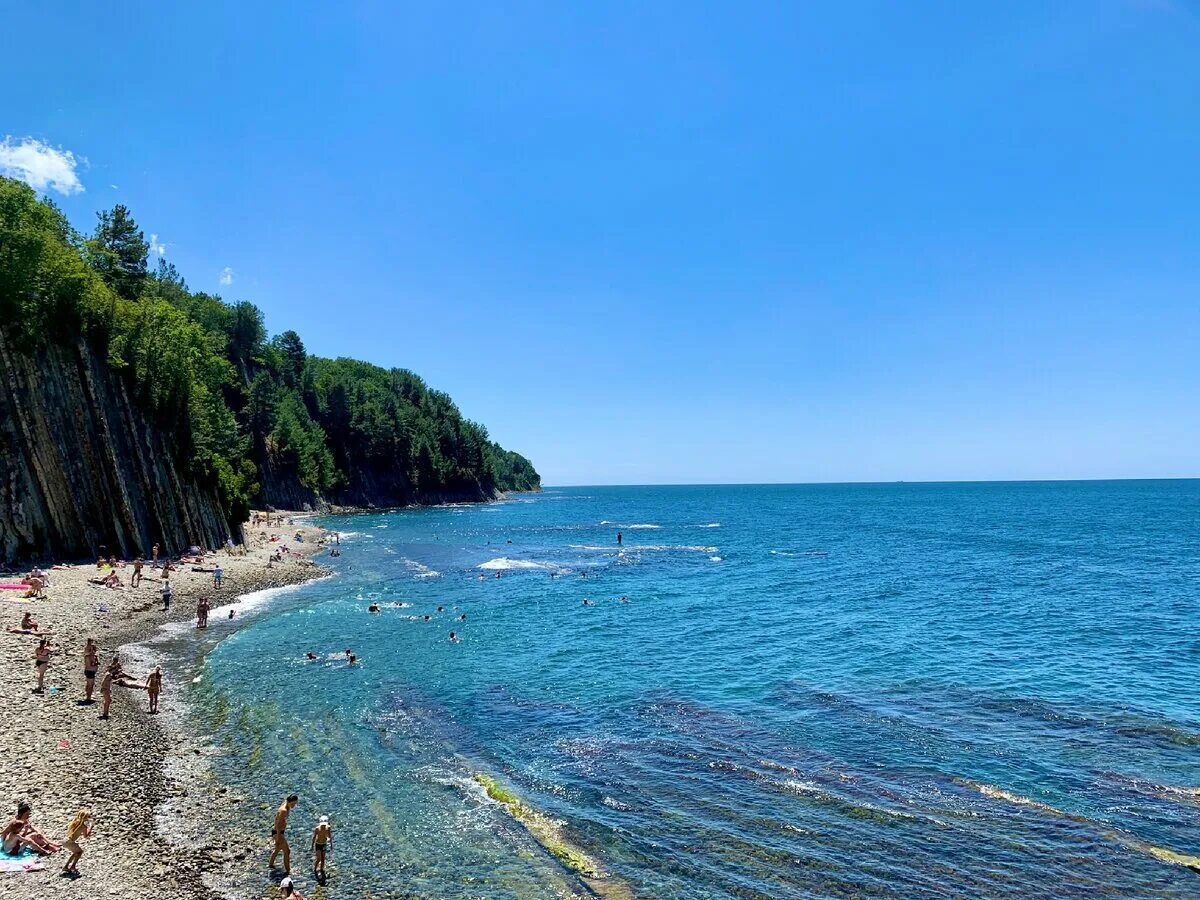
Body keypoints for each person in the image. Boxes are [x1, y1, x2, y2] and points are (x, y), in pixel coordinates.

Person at [268, 794, 298, 874]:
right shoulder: (283, 810)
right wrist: (277, 838)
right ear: (288, 802)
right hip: (278, 833)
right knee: (287, 851)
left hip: (279, 832)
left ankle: (270, 865)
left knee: (277, 849)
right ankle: (288, 871)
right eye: (292, 804)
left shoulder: (286, 804)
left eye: (295, 804)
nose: (294, 806)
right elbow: (277, 825)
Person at [60, 808, 93, 875]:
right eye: (88, 816)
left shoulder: (75, 821)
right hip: (70, 842)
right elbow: (86, 836)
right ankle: (73, 866)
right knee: (80, 852)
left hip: (65, 840)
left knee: (76, 852)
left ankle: (66, 866)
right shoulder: (83, 826)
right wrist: (90, 827)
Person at [83, 639, 99, 703]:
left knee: (89, 684)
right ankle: (88, 697)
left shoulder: (93, 656)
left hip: (90, 671)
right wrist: (96, 663)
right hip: (90, 671)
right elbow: (91, 664)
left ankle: (88, 695)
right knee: (90, 685)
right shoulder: (89, 656)